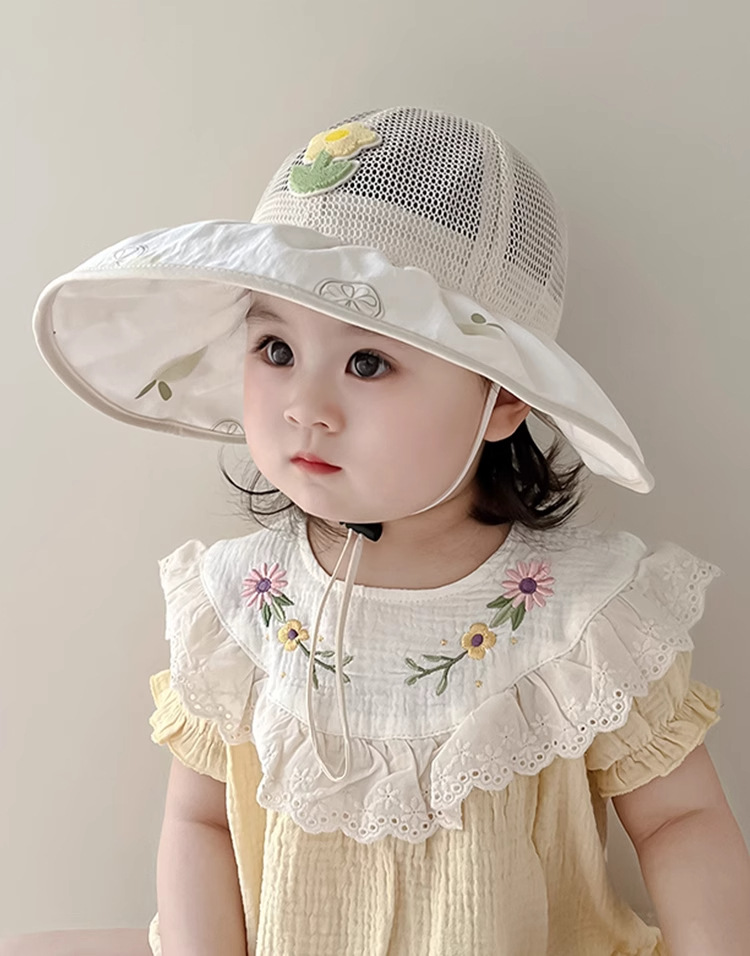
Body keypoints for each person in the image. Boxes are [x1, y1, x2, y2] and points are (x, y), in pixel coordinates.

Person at [10, 106, 750, 955]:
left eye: (368, 362)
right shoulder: (238, 610)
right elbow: (201, 822)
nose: (306, 407)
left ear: (503, 396)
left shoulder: (584, 622)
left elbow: (680, 820)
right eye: (275, 349)